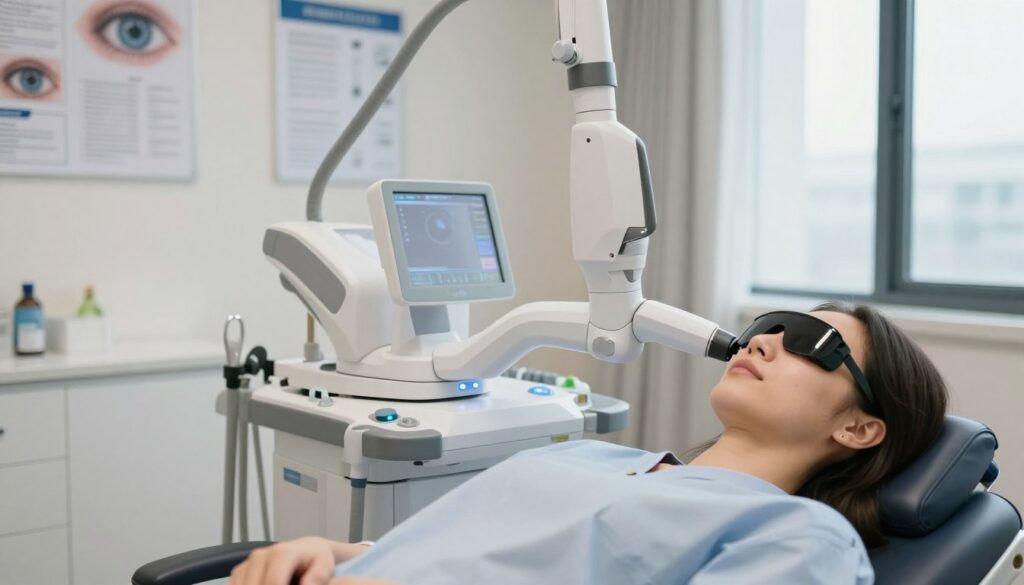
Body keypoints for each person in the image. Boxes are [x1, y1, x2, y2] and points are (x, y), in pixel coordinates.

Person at [229, 302, 949, 585]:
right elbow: (441, 550)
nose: (764, 339)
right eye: (770, 322)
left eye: (808, 341)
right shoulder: (586, 455)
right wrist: (330, 550)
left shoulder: (800, 536)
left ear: (857, 427)